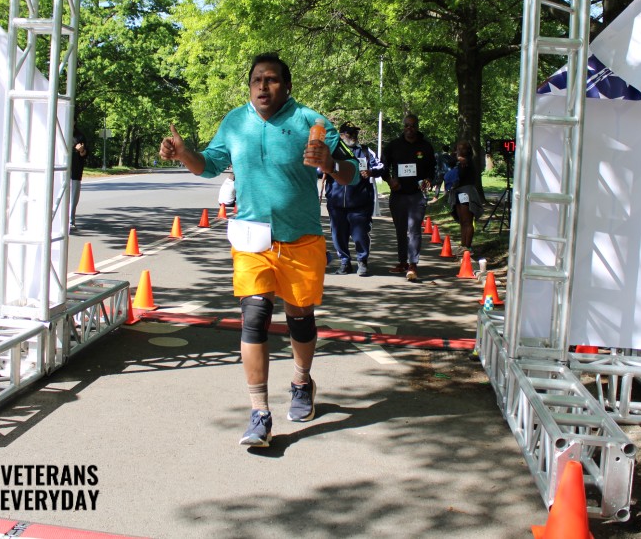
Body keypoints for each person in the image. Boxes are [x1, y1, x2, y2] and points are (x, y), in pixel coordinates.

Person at [159, 53, 358, 448]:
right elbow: (208, 165)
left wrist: (331, 165)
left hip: (300, 237)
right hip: (252, 239)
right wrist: (183, 153)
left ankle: (301, 382)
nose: (263, 86)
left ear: (287, 86)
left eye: (271, 80)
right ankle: (259, 413)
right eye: (256, 80)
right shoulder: (235, 122)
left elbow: (352, 173)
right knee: (254, 317)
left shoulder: (310, 121)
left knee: (300, 318)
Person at [325, 122, 384, 277]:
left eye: (355, 133)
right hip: (336, 202)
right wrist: (328, 168)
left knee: (360, 234)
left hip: (360, 202)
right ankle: (345, 262)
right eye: (349, 133)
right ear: (341, 135)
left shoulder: (365, 151)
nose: (353, 136)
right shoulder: (332, 151)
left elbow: (380, 167)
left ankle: (362, 261)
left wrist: (370, 172)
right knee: (338, 234)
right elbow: (318, 170)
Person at [382, 114, 436, 281]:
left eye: (412, 126)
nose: (409, 129)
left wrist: (429, 180)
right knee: (400, 230)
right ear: (403, 127)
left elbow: (432, 168)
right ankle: (402, 262)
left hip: (417, 195)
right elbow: (383, 166)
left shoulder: (425, 146)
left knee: (414, 230)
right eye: (407, 126)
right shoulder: (394, 145)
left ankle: (413, 264)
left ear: (417, 127)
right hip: (398, 194)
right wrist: (389, 180)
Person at [447, 140, 483, 255]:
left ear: (468, 150)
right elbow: (448, 161)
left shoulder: (468, 161)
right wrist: (456, 157)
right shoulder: (457, 161)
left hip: (466, 193)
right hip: (457, 193)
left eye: (463, 148)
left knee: (467, 221)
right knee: (462, 221)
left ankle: (468, 247)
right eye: (458, 148)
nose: (460, 150)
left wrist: (459, 159)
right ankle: (463, 246)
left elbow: (462, 175)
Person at [70, 128, 88, 234]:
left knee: (73, 199)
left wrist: (81, 150)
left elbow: (85, 154)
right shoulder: (58, 133)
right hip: (59, 171)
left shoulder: (79, 137)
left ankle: (71, 221)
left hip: (75, 172)